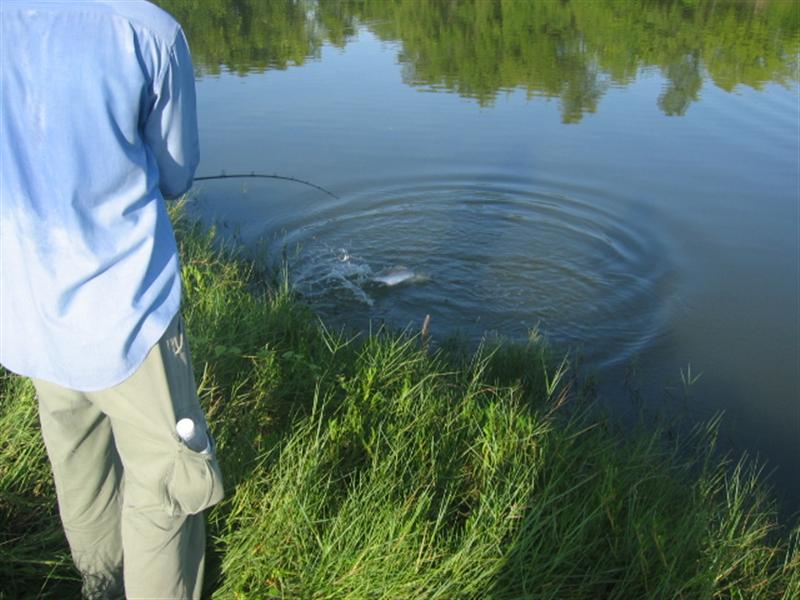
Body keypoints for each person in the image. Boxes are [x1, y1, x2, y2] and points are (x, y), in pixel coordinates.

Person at [0, 1, 224, 598]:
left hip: (26, 309)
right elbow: (177, 176)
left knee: (79, 462)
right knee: (167, 479)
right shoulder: (147, 30)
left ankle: (100, 586)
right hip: (125, 312)